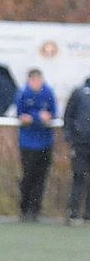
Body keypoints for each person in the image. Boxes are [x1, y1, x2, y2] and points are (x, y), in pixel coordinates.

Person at [15, 68, 57, 222]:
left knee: (41, 177)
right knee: (28, 176)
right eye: (32, 80)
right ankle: (24, 208)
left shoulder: (48, 93)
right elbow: (20, 114)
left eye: (38, 80)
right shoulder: (23, 93)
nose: (36, 83)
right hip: (28, 143)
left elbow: (53, 113)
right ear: (28, 80)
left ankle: (35, 210)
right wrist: (36, 117)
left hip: (45, 142)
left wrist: (44, 117)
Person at [63, 76, 90, 225]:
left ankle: (88, 215)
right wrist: (70, 137)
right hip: (81, 144)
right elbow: (69, 115)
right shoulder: (79, 92)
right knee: (79, 177)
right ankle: (73, 212)